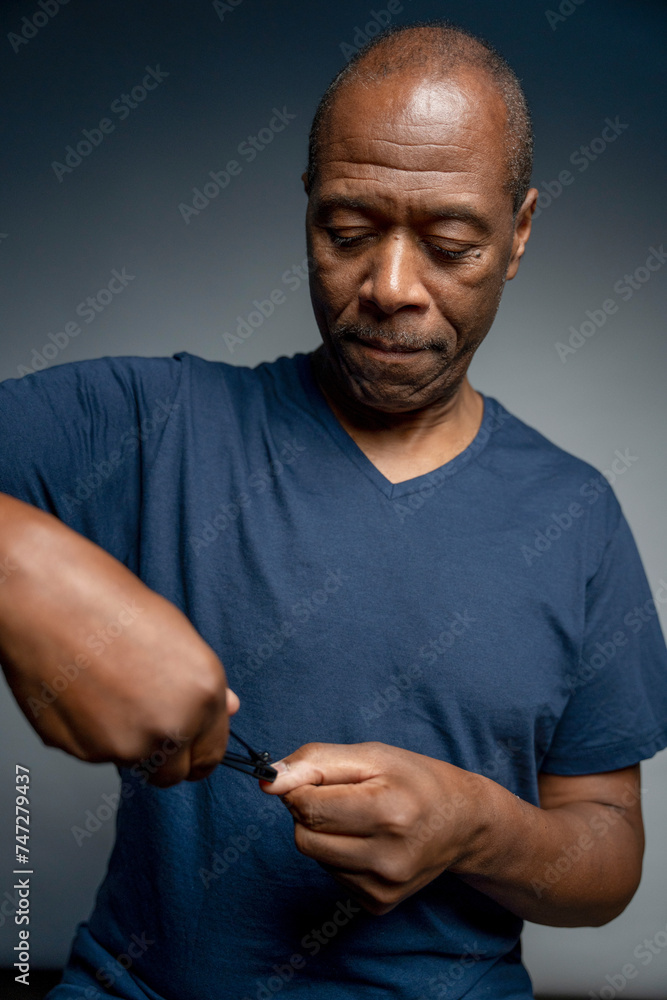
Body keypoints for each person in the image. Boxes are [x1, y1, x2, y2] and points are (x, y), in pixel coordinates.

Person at [1, 19, 666, 1000]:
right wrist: (18, 565)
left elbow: (606, 865)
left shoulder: (577, 515)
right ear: (306, 210)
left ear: (519, 232)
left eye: (450, 243)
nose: (391, 287)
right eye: (347, 232)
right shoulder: (153, 424)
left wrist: (476, 823)